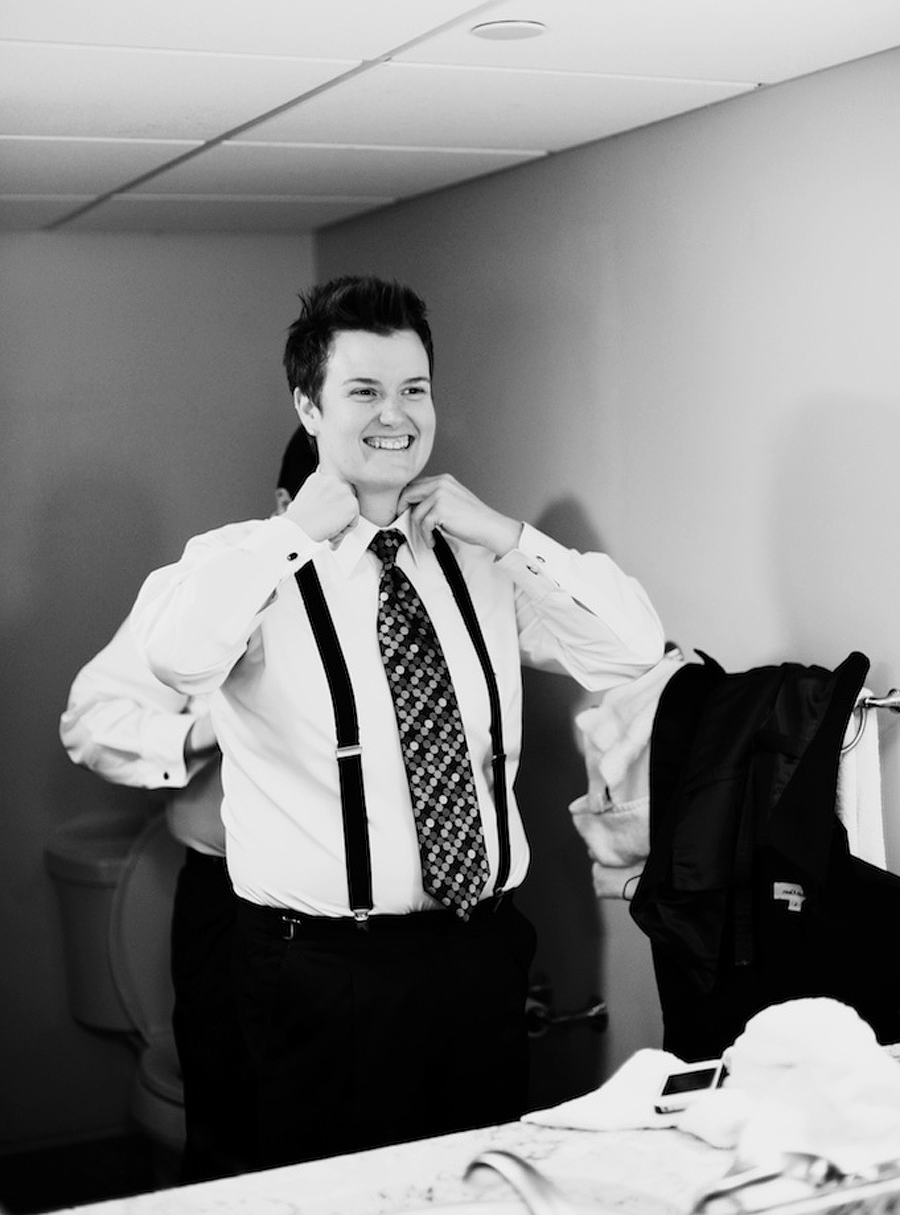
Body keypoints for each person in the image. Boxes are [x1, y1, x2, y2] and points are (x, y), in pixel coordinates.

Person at [131, 274, 665, 1168]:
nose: (396, 414)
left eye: (414, 388)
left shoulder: (479, 559)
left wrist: (507, 533)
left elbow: (631, 646)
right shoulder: (242, 562)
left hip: (480, 951)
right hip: (318, 972)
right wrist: (291, 534)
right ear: (309, 405)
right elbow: (174, 657)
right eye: (364, 390)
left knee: (474, 1185)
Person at [59, 427, 316, 1182]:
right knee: (232, 1135)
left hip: (378, 929)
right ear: (283, 506)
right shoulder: (213, 586)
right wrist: (206, 728)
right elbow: (92, 720)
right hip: (231, 911)